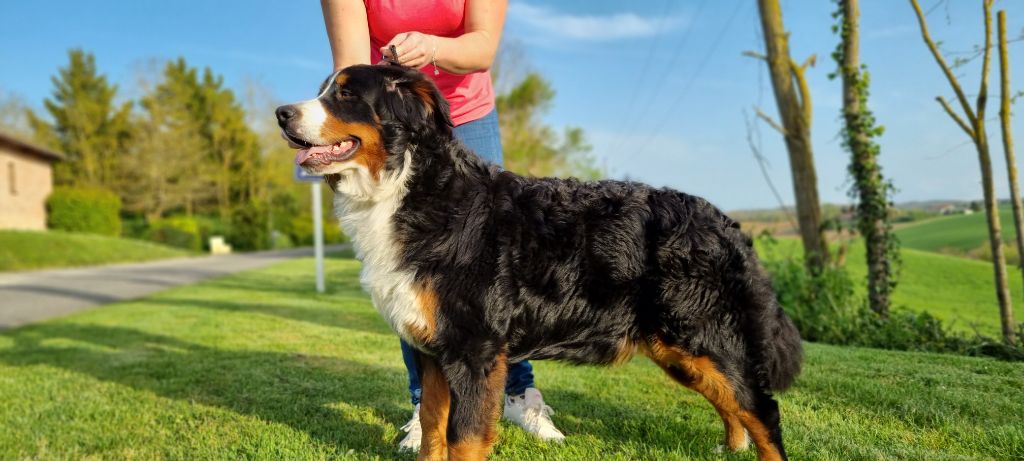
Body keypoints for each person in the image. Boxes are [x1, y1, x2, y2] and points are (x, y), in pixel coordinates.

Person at [319, 0, 565, 452]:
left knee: (493, 280)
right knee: (410, 280)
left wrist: (431, 46)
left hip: (467, 113)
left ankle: (517, 394)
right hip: (394, 113)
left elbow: (483, 47)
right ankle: (426, 406)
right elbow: (349, 70)